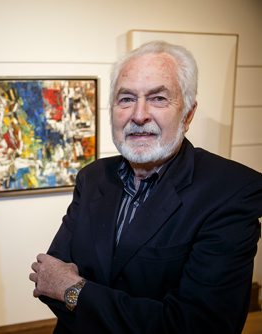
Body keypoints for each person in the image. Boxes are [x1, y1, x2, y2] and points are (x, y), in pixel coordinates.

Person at [29, 40, 262, 333]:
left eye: (158, 98)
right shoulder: (93, 177)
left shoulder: (231, 191)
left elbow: (200, 325)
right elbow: (49, 277)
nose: (139, 115)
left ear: (188, 114)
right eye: (126, 99)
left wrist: (74, 291)